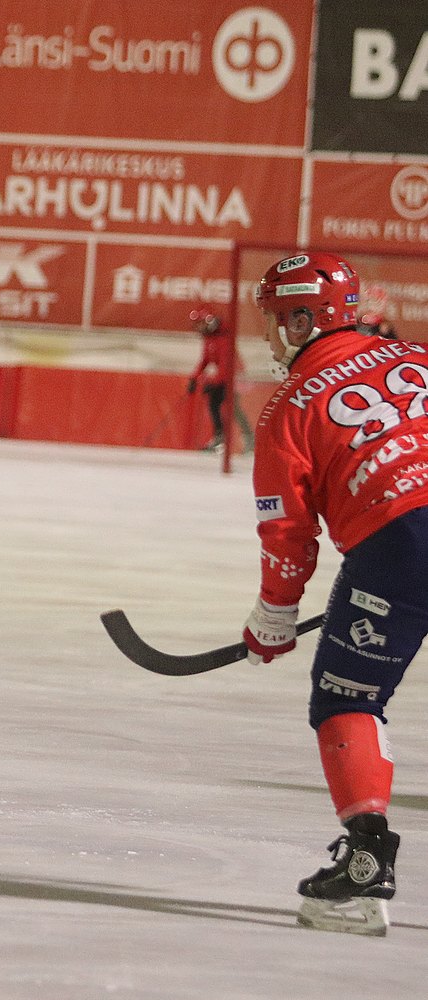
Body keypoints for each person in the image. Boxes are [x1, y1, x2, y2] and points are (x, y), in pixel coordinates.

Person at [243, 249, 421, 936]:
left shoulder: (288, 406)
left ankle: (364, 869)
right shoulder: (419, 358)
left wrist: (274, 618)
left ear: (300, 319)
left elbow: (288, 535)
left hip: (399, 544)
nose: (269, 335)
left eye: (275, 321)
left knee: (348, 698)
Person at [186, 308, 253, 452]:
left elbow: (226, 365)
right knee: (214, 405)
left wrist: (213, 382)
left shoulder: (223, 337)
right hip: (223, 378)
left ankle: (248, 438)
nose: (197, 328)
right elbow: (205, 361)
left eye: (199, 324)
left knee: (233, 407)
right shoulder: (209, 338)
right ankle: (220, 438)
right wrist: (194, 378)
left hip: (235, 377)